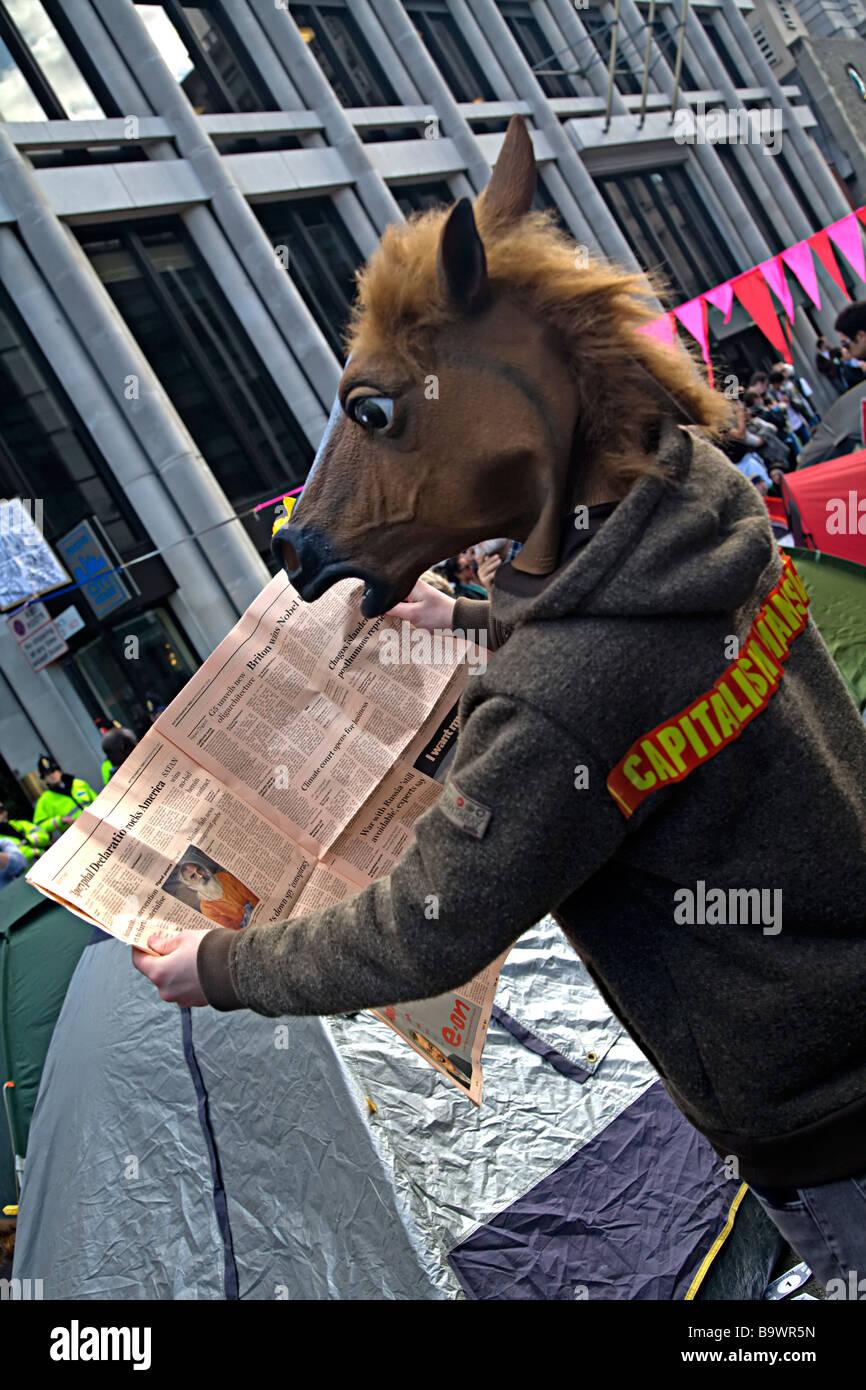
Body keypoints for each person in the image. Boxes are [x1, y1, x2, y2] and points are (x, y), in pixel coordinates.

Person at [178, 861, 257, 931]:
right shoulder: (206, 908)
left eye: (199, 870)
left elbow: (252, 897)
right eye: (193, 876)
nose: (201, 876)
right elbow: (232, 929)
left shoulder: (223, 876)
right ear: (191, 887)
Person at [32, 756, 98, 838]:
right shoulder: (44, 800)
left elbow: (99, 802)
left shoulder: (79, 784)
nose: (52, 776)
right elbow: (40, 826)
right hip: (76, 837)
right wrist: (61, 820)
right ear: (44, 779)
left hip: (98, 825)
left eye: (53, 771)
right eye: (47, 774)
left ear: (59, 771)